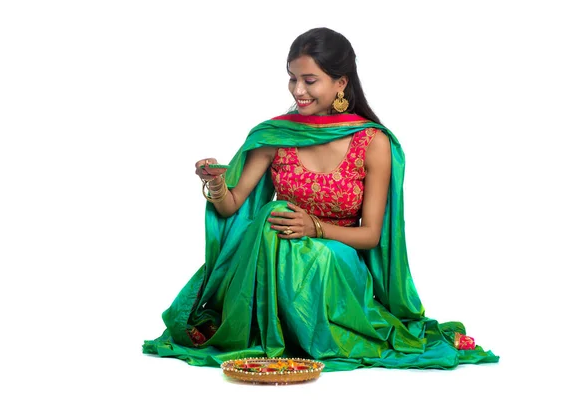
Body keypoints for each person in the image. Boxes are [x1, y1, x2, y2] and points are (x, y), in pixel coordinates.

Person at [142, 27, 499, 370]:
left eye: (309, 80)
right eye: (292, 78)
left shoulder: (372, 142)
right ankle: (276, 331)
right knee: (275, 216)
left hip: (338, 265)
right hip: (277, 252)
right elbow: (232, 205)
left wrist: (315, 227)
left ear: (341, 83)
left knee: (302, 242)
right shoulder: (277, 134)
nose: (298, 90)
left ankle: (290, 334)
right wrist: (217, 184)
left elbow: (371, 235)